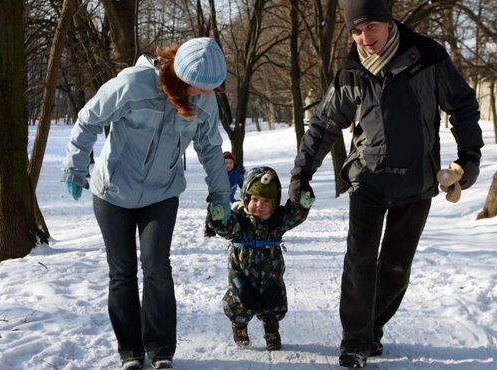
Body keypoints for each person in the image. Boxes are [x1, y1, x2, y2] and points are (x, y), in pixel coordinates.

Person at [287, 1, 484, 368]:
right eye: (357, 31)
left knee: (396, 267)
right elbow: (325, 123)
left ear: (388, 22)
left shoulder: (426, 56)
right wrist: (302, 173)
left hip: (417, 179)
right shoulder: (351, 70)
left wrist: (469, 156)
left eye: (371, 27)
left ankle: (371, 330)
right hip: (368, 178)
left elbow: (462, 103)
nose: (365, 38)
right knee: (360, 261)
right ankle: (355, 342)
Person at [60, 37, 232, 370]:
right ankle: (130, 351)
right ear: (181, 78)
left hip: (163, 193)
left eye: (213, 88)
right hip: (113, 193)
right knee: (122, 272)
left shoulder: (204, 100)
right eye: (202, 88)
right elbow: (88, 119)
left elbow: (210, 148)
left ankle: (161, 350)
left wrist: (221, 196)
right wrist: (75, 168)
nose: (209, 95)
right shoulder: (133, 85)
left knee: (156, 267)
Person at [207, 166, 313, 351]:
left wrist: (302, 204)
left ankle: (271, 329)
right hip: (242, 275)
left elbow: (293, 215)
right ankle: (239, 325)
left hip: (271, 273)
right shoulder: (240, 220)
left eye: (266, 201)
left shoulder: (276, 222)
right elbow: (227, 228)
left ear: (274, 203)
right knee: (241, 301)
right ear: (246, 198)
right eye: (254, 199)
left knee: (273, 300)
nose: (259, 205)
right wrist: (220, 218)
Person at [204, 151, 245, 237]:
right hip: (218, 197)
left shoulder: (236, 173)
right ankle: (209, 228)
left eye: (231, 163)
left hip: (230, 198)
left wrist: (245, 192)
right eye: (226, 163)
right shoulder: (219, 173)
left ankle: (229, 227)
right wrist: (211, 196)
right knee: (212, 211)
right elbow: (213, 185)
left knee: (232, 212)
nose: (228, 165)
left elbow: (243, 185)